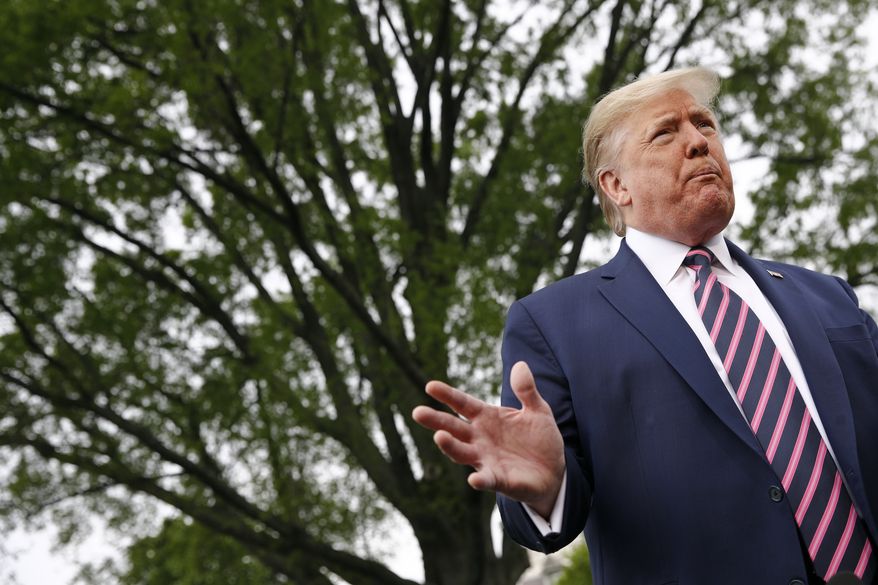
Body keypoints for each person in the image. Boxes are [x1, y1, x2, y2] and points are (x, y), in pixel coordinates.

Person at [412, 67, 878, 585]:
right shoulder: (553, 324)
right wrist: (550, 487)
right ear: (616, 185)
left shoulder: (827, 296)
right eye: (666, 132)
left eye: (705, 124)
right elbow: (543, 515)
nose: (699, 142)